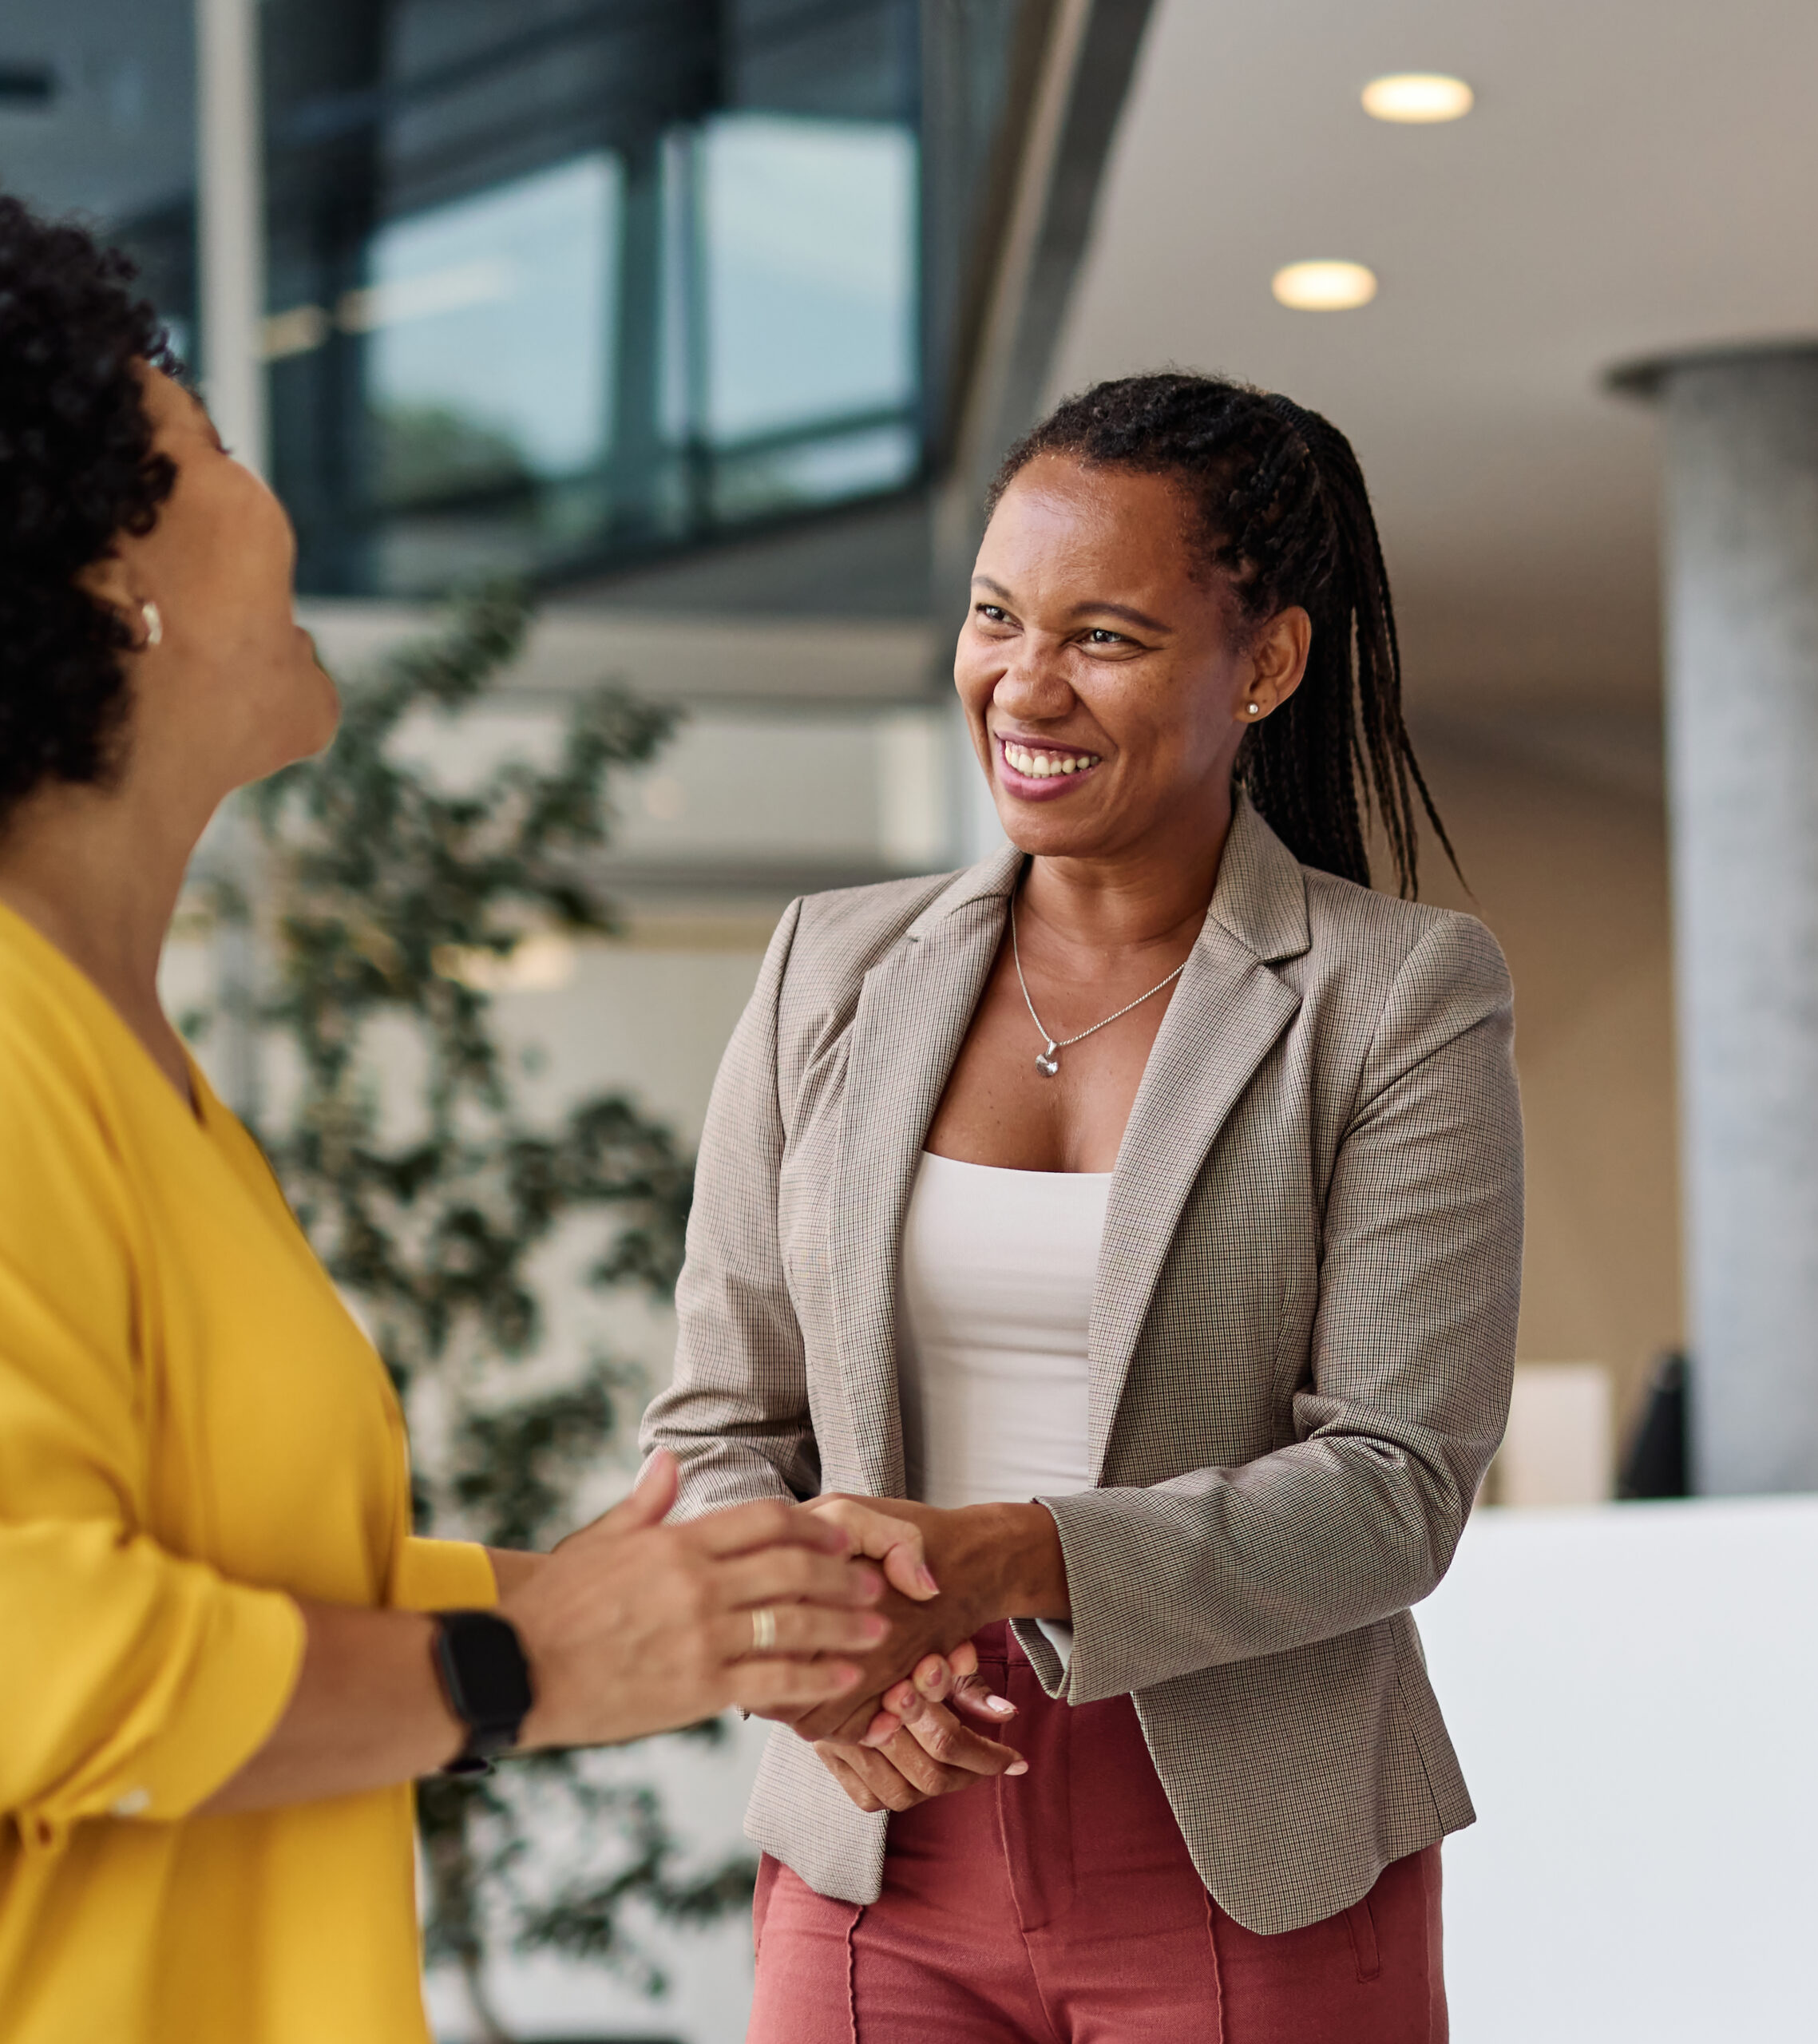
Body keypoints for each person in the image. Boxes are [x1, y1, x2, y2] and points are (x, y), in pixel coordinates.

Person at [0, 198, 936, 2044]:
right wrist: (522, 1664)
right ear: (117, 579)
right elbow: (44, 1654)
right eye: (217, 453)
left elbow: (228, 1560)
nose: (281, 509)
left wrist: (673, 1602)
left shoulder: (132, 1061)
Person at [642, 370, 1523, 2041]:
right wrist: (800, 1650)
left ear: (1261, 661)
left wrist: (1010, 1552)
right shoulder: (825, 969)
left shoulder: (1396, 995)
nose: (1020, 683)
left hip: (1248, 1854)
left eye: (1102, 635)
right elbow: (716, 1420)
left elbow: (1395, 1481)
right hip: (873, 1835)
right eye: (993, 615)